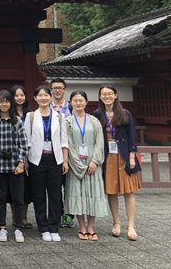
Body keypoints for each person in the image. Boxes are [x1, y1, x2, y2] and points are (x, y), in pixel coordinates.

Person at [92, 85, 141, 241]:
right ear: (100, 97)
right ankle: (116, 222)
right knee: (112, 191)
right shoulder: (96, 114)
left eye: (110, 94)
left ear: (115, 95)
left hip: (123, 155)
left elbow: (132, 135)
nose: (107, 96)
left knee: (128, 190)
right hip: (108, 156)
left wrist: (132, 156)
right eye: (104, 94)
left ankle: (131, 225)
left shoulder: (125, 113)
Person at [62, 91, 107, 241]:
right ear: (71, 103)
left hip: (93, 162)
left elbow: (100, 142)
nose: (78, 103)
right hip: (75, 164)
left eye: (81, 100)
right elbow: (68, 144)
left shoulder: (94, 121)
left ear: (86, 102)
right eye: (75, 100)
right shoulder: (67, 121)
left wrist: (95, 161)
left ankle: (91, 227)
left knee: (92, 193)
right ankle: (82, 227)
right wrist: (78, 165)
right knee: (78, 195)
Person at [25, 85, 68, 242]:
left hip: (55, 160)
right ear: (35, 98)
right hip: (36, 160)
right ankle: (43, 228)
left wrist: (65, 161)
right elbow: (27, 140)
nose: (43, 98)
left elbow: (64, 140)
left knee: (55, 194)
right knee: (39, 195)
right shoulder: (31, 116)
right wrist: (25, 161)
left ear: (50, 97)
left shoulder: (59, 116)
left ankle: (54, 227)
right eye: (40, 95)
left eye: (46, 95)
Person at [0, 90, 28, 244]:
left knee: (18, 198)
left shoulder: (17, 121)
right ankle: (2, 227)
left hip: (15, 166)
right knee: (0, 197)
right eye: (1, 101)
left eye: (7, 101)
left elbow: (23, 143)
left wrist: (21, 163)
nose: (4, 104)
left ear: (11, 103)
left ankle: (18, 227)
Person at [50, 78, 74, 229]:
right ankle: (58, 213)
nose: (57, 90)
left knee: (69, 184)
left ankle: (69, 214)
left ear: (65, 90)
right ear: (51, 90)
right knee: (55, 185)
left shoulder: (72, 108)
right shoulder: (46, 108)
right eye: (54, 88)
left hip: (70, 152)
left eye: (60, 88)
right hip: (52, 152)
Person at [10, 84, 33, 229]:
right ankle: (15, 216)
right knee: (14, 188)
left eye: (22, 95)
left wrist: (26, 159)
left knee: (26, 188)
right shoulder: (8, 114)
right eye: (16, 95)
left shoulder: (31, 114)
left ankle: (24, 217)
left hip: (30, 155)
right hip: (13, 156)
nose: (19, 98)